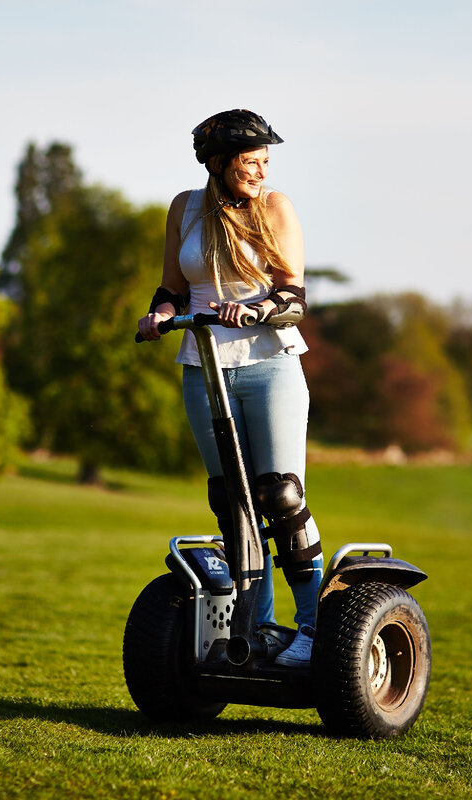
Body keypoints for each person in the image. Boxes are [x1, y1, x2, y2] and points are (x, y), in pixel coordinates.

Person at [137, 109, 322, 668]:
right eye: (249, 163)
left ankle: (312, 629)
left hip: (269, 364)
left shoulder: (275, 208)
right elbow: (171, 286)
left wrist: (259, 307)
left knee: (279, 496)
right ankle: (258, 628)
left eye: (265, 161)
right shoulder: (184, 208)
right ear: (217, 164)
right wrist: (159, 314)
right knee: (233, 503)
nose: (260, 172)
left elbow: (294, 296)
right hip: (203, 364)